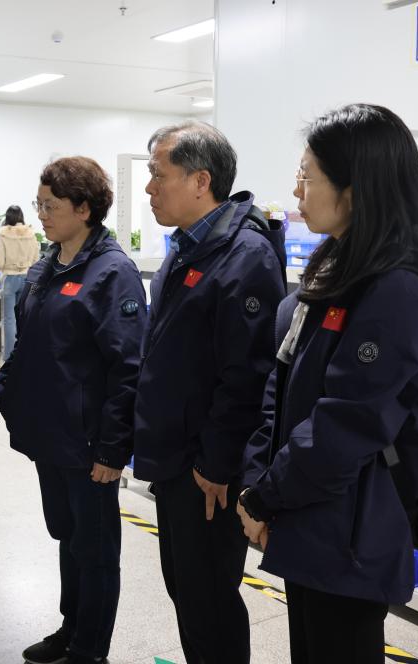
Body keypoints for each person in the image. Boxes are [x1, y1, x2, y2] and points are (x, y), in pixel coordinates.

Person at [238, 104, 418, 664]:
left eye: (308, 177)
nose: (296, 191)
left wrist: (267, 496)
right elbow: (283, 382)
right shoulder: (337, 268)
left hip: (351, 533)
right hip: (311, 513)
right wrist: (260, 482)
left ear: (356, 191)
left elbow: (347, 422)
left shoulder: (396, 289)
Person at [132, 121, 287, 663]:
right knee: (186, 588)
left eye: (159, 175)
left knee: (209, 599)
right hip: (178, 457)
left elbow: (248, 374)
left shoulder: (245, 255)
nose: (149, 187)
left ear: (201, 181)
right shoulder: (188, 247)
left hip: (206, 470)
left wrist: (217, 464)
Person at [0, 157, 146, 664]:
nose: (41, 215)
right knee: (67, 536)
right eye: (38, 204)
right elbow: (27, 339)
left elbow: (128, 367)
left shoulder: (113, 272)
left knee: (95, 549)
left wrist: (112, 448)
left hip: (88, 442)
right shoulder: (47, 264)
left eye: (50, 206)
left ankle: (90, 648)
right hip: (49, 433)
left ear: (84, 208)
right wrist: (8, 387)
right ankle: (70, 627)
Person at [0, 204, 40, 360]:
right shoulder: (31, 233)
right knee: (24, 317)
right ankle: (24, 354)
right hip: (28, 278)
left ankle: (9, 357)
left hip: (10, 278)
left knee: (9, 319)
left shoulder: (3, 233)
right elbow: (36, 259)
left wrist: (0, 267)